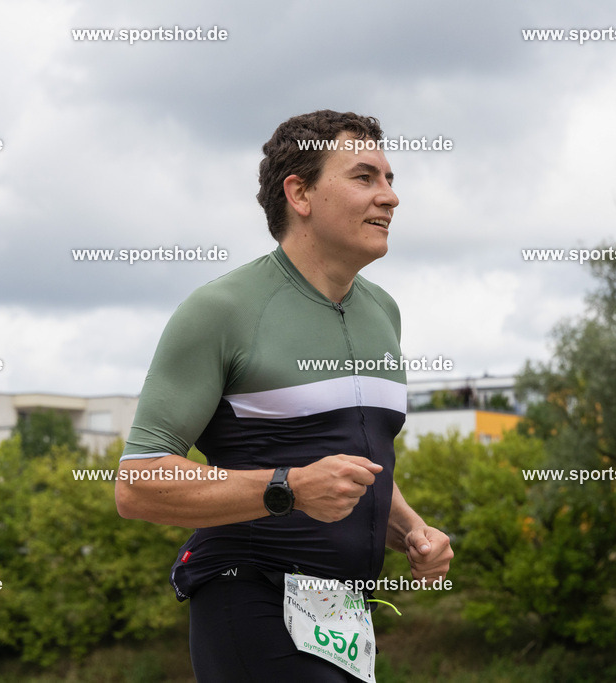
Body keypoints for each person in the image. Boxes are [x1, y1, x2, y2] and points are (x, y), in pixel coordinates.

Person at [115, 110, 452, 681]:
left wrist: (412, 531)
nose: (390, 197)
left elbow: (351, 464)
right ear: (300, 193)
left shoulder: (383, 312)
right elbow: (138, 484)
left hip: (344, 612)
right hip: (247, 593)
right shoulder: (221, 310)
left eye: (391, 179)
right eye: (365, 177)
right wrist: (287, 488)